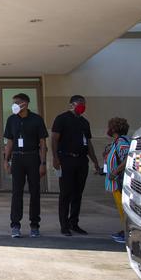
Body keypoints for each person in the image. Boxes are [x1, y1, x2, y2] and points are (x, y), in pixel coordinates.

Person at [51, 94, 101, 236]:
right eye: (80, 103)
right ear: (72, 104)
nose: (82, 106)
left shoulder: (85, 122)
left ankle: (74, 223)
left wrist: (95, 161)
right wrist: (55, 158)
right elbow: (54, 139)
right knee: (65, 193)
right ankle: (64, 225)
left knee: (77, 194)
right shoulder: (61, 119)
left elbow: (88, 143)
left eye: (84, 104)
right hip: (66, 159)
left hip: (81, 161)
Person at [2, 93, 48, 238]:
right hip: (17, 159)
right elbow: (9, 142)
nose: (15, 104)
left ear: (26, 103)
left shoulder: (37, 119)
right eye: (14, 102)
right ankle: (15, 225)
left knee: (35, 192)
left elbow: (42, 143)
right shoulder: (11, 120)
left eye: (18, 102)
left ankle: (35, 225)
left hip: (33, 158)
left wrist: (43, 163)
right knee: (17, 192)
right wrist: (6, 160)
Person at [103, 117, 131, 244]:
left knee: (123, 207)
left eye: (109, 127)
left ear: (114, 129)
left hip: (119, 181)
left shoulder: (121, 142)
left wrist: (115, 171)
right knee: (121, 208)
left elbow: (126, 160)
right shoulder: (117, 142)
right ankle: (125, 230)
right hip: (115, 182)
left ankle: (127, 232)